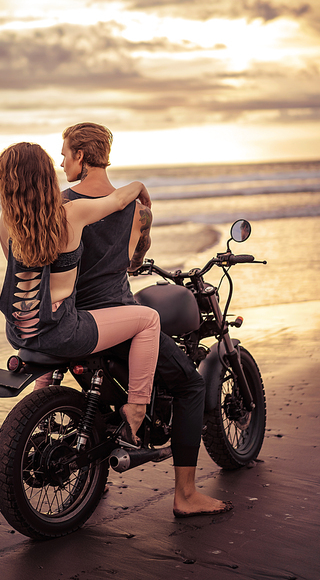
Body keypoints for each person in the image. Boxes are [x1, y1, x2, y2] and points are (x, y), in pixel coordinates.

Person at [59, 122, 232, 518]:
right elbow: (135, 261)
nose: (61, 160)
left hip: (73, 320)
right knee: (190, 386)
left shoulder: (60, 203)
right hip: (118, 318)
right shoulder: (135, 209)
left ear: (81, 156)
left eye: (65, 152)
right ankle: (185, 495)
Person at [0, 141, 160, 444]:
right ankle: (136, 407)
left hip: (20, 333)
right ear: (46, 178)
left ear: (4, 183)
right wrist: (138, 186)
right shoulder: (72, 213)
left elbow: (25, 276)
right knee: (149, 319)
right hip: (63, 331)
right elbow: (118, 201)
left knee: (48, 334)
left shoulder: (6, 225)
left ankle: (37, 428)